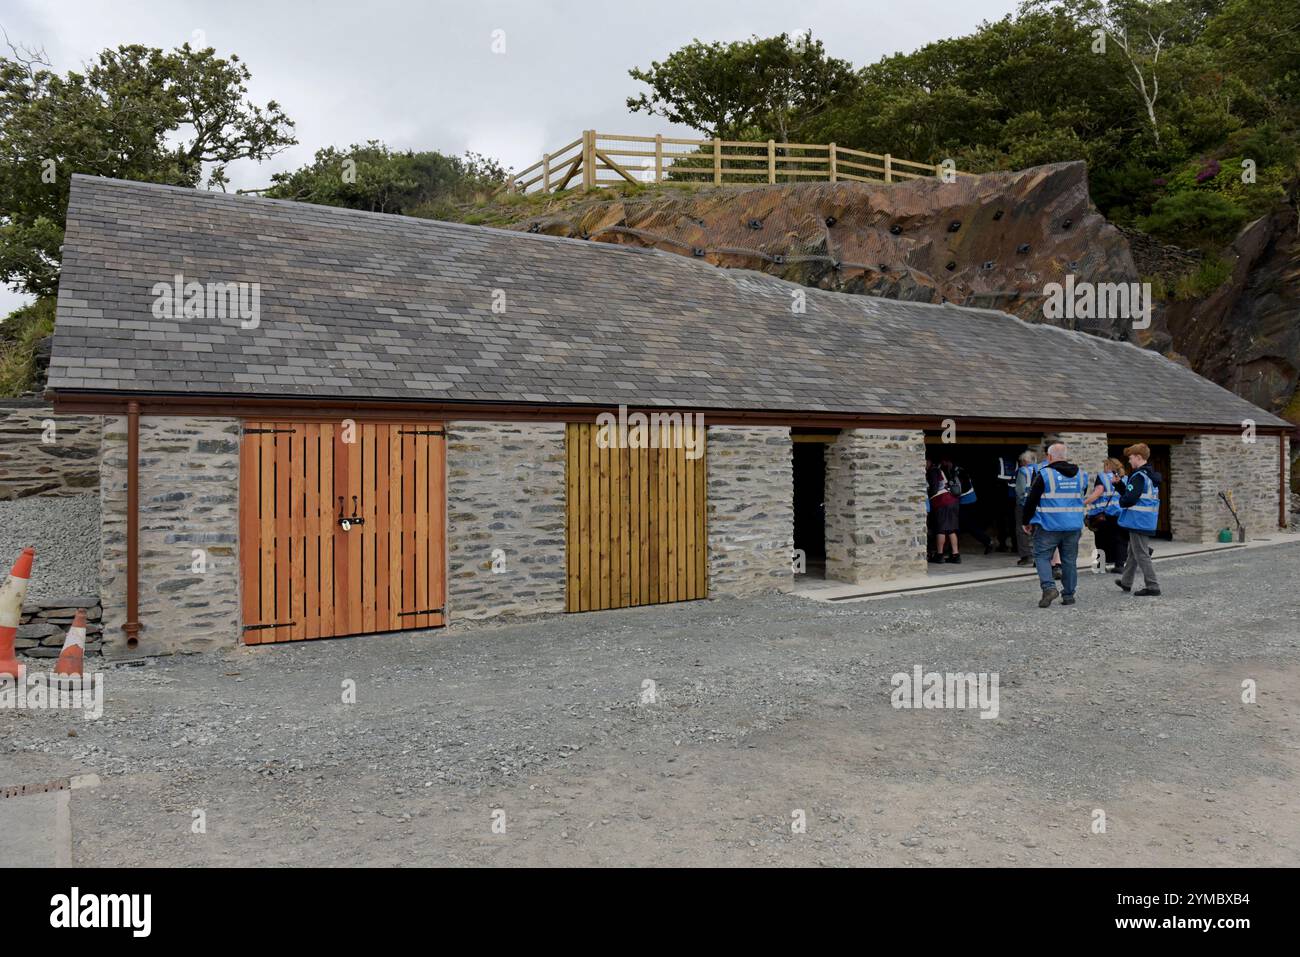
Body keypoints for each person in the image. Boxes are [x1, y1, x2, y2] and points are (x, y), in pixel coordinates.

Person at [1021, 442, 1088, 608]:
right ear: (1065, 456)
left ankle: (1049, 588)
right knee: (1069, 560)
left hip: (1049, 525)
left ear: (1049, 457)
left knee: (1042, 556)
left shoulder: (1045, 474)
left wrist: (1026, 521)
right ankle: (1069, 595)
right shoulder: (1080, 474)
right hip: (1073, 525)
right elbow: (1081, 494)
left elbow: (1031, 500)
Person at [1115, 443, 1162, 596]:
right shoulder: (1150, 475)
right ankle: (1126, 582)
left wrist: (1121, 502)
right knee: (1133, 552)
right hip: (1145, 519)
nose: (1129, 461)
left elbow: (1130, 499)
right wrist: (1120, 486)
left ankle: (1153, 586)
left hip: (1138, 520)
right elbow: (1134, 494)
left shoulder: (1138, 476)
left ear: (1138, 457)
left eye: (1131, 458)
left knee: (1141, 553)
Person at [1084, 457, 1128, 572]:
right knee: (1119, 539)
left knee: (1101, 540)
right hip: (1120, 514)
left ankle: (1101, 565)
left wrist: (1083, 503)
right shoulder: (1125, 478)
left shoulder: (1102, 477)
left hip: (1104, 515)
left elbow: (1097, 493)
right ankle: (1119, 565)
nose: (1103, 468)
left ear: (1109, 466)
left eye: (1105, 465)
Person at [952, 460, 994, 555]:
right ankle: (954, 548)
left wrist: (952, 494)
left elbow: (960, 490)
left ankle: (987, 541)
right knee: (966, 525)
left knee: (967, 526)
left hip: (966, 502)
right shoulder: (961, 471)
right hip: (969, 501)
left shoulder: (958, 473)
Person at [927, 459, 962, 564]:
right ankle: (956, 555)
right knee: (951, 529)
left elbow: (934, 487)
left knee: (940, 529)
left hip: (942, 502)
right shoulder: (940, 470)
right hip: (952, 500)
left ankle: (939, 555)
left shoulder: (932, 471)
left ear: (929, 462)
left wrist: (928, 496)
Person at [1013, 451, 1038, 565]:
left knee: (1021, 529)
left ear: (1024, 461)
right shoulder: (1040, 469)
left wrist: (1021, 502)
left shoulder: (1023, 471)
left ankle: (1026, 556)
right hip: (1037, 505)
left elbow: (1020, 490)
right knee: (1036, 529)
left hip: (1024, 504)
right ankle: (1037, 556)